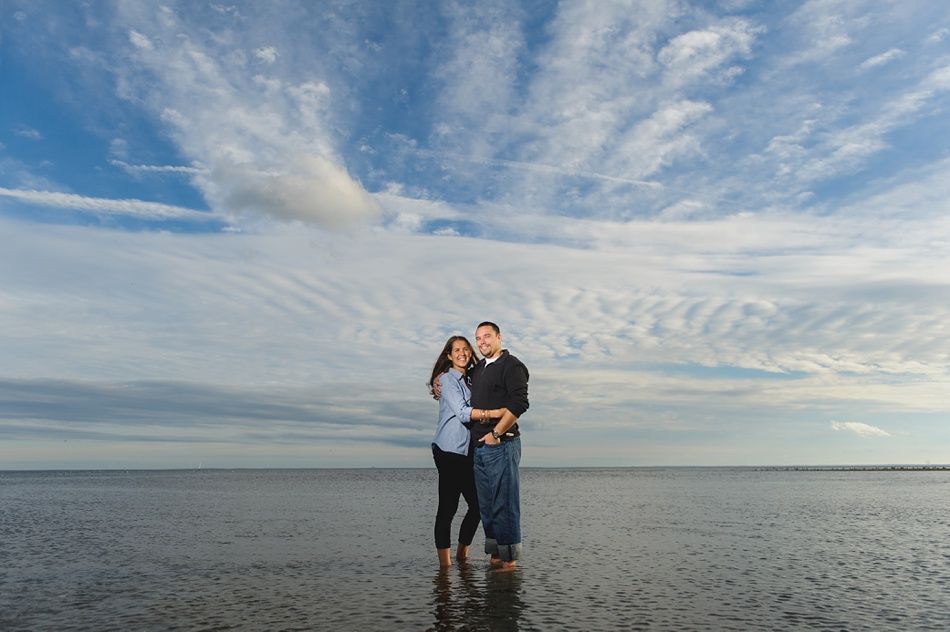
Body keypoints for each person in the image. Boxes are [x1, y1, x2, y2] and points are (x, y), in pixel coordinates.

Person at [428, 335, 509, 567]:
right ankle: (445, 567)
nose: (462, 353)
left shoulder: (472, 379)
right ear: (449, 355)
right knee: (448, 507)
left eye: (466, 349)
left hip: (469, 451)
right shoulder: (446, 379)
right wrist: (498, 413)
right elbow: (463, 413)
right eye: (457, 350)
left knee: (478, 506)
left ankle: (462, 555)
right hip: (448, 450)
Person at [469, 321, 529, 570]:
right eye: (478, 338)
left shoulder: (512, 365)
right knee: (488, 506)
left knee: (504, 504)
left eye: (487, 336)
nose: (482, 342)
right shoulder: (479, 368)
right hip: (480, 449)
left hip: (502, 445)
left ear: (499, 337)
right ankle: (496, 558)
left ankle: (509, 563)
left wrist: (495, 433)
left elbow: (520, 403)